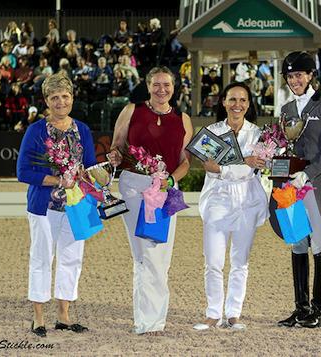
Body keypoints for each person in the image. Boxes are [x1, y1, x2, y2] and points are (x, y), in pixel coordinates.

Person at [107, 66, 193, 335]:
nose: (161, 90)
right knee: (144, 254)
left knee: (158, 256)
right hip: (134, 187)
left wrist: (170, 180)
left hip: (165, 189)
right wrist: (114, 157)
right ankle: (148, 320)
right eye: (156, 84)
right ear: (148, 86)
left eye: (166, 85)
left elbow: (185, 161)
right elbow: (117, 146)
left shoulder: (183, 119)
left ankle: (151, 319)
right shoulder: (132, 110)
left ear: (174, 87)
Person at [16, 71, 97, 337]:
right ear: (46, 101)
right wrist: (56, 180)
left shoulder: (82, 129)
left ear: (72, 98)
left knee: (72, 259)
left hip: (77, 205)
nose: (61, 102)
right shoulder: (35, 131)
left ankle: (63, 316)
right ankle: (38, 318)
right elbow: (23, 172)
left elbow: (91, 167)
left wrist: (103, 171)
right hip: (44, 206)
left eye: (65, 96)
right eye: (54, 97)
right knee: (41, 258)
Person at [269, 51, 321, 328]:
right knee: (298, 242)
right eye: (290, 76)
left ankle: (318, 311)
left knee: (319, 243)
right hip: (290, 184)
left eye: (299, 74)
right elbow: (283, 147)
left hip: (313, 183)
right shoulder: (286, 110)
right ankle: (300, 308)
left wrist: (307, 174)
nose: (294, 80)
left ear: (311, 75)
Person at [193, 82, 269, 331]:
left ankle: (233, 313)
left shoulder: (258, 134)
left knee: (240, 261)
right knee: (213, 261)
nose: (237, 105)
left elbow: (253, 168)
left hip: (247, 201)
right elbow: (209, 167)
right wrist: (243, 163)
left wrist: (227, 167)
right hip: (217, 201)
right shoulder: (211, 132)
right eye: (232, 99)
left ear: (249, 104)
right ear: (223, 102)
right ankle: (213, 313)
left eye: (243, 100)